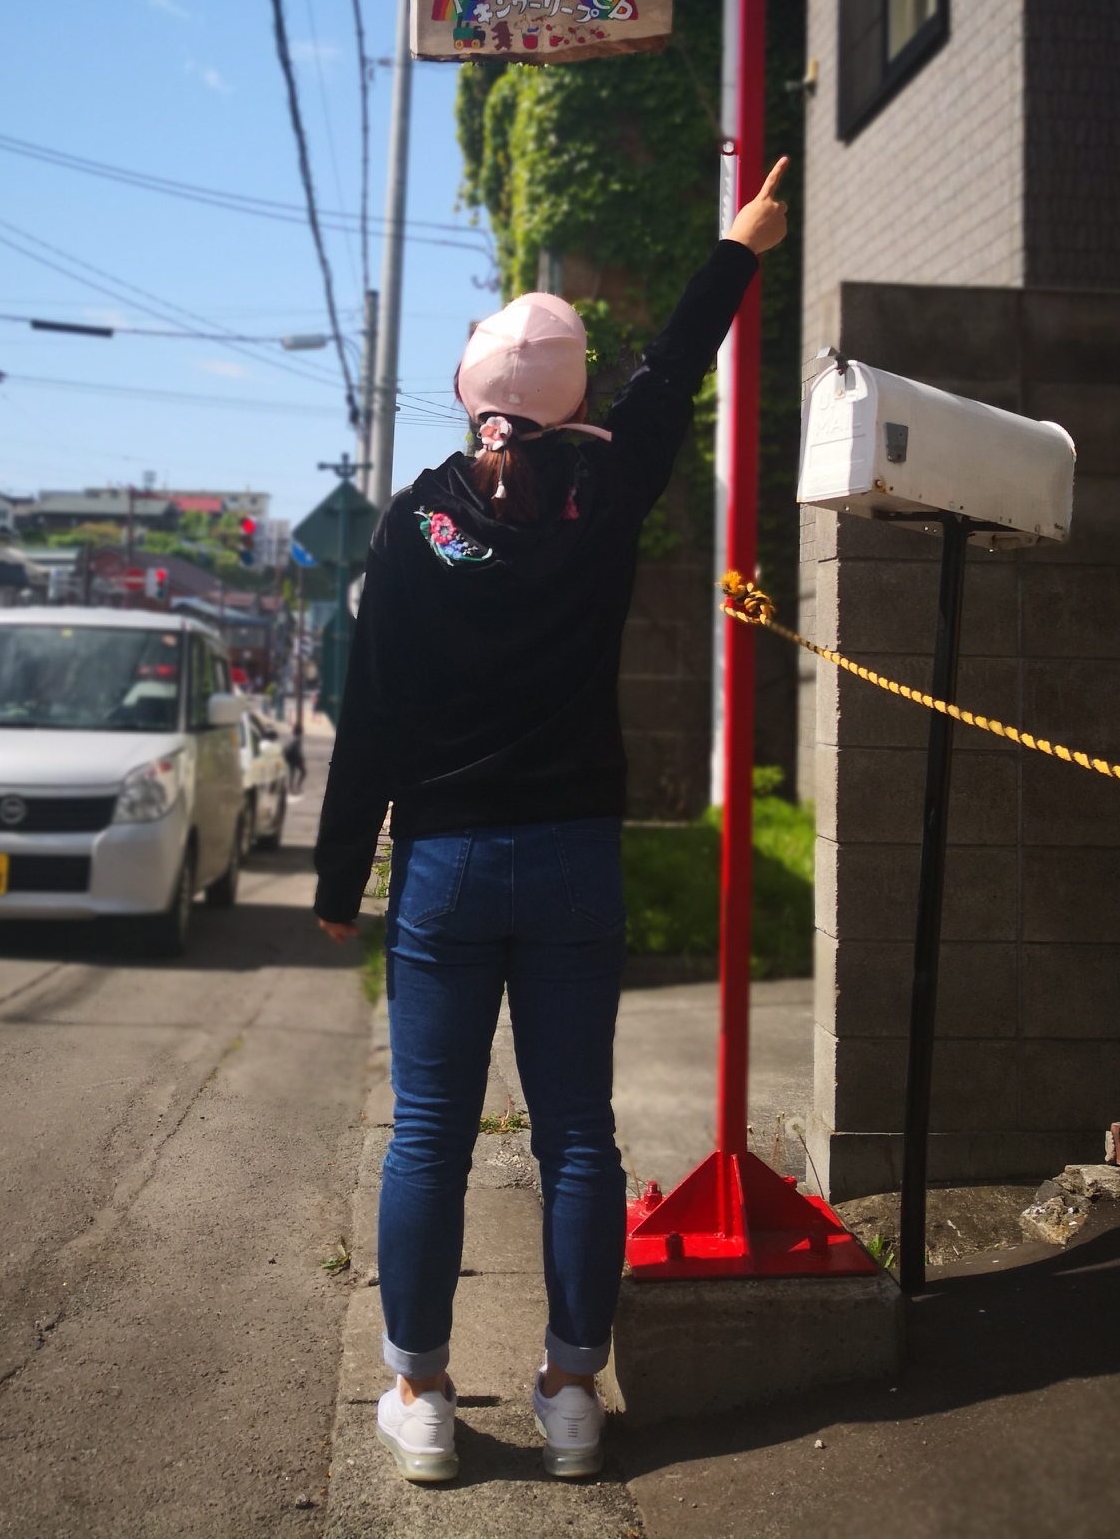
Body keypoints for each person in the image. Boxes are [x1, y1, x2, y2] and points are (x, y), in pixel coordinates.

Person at [313, 161, 790, 1484]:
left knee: (430, 1134)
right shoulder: (604, 496)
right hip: (576, 858)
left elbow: (375, 715)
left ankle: (417, 1396)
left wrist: (341, 876)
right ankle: (574, 1395)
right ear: (577, 403)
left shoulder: (414, 527)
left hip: (448, 870)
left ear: (470, 394)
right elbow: (675, 368)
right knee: (579, 1134)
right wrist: (739, 245)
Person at [283, 729, 306, 794]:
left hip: (290, 759)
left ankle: (291, 788)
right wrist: (302, 760)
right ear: (301, 732)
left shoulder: (291, 738)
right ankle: (297, 786)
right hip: (296, 759)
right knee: (304, 772)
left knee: (292, 774)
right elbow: (298, 751)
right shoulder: (298, 739)